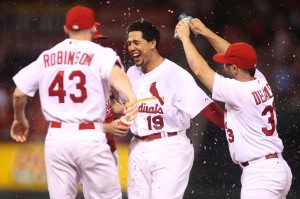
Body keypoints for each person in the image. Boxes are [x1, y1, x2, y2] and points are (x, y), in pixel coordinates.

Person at [10, 5, 137, 199]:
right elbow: (116, 75)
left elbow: (19, 94)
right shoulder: (99, 54)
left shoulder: (47, 56)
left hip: (57, 137)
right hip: (89, 137)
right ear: (92, 28)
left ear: (66, 29)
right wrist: (131, 95)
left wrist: (20, 119)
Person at [175, 18, 292, 198]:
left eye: (228, 64)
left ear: (236, 68)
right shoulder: (259, 79)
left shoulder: (239, 91)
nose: (224, 65)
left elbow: (200, 71)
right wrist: (205, 31)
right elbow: (232, 51)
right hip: (276, 168)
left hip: (261, 174)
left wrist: (185, 39)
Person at [125, 19, 225, 199]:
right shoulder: (131, 73)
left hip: (169, 146)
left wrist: (231, 125)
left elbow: (205, 106)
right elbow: (124, 107)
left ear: (152, 43)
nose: (131, 47)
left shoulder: (175, 73)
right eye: (129, 43)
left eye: (136, 42)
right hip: (137, 146)